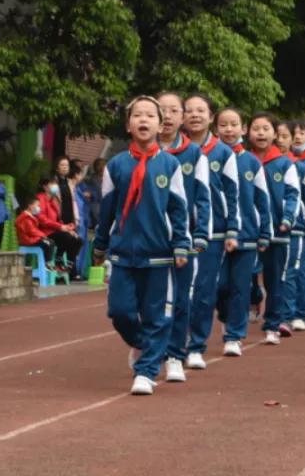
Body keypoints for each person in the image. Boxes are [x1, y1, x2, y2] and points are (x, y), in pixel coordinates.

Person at [93, 96, 190, 396]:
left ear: (161, 125)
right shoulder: (117, 166)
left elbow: (178, 209)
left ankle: (146, 372)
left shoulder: (170, 164)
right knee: (119, 311)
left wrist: (181, 245)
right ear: (129, 124)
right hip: (123, 254)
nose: (144, 120)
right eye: (138, 115)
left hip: (159, 255)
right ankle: (142, 344)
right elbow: (106, 210)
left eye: (150, 115)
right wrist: (100, 246)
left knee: (157, 315)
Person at [157, 92, 212, 383]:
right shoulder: (136, 154)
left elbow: (204, 197)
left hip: (183, 239)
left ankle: (175, 355)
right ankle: (147, 343)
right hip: (147, 239)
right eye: (160, 110)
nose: (167, 116)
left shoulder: (194, 155)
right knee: (142, 303)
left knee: (180, 299)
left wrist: (200, 233)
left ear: (181, 118)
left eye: (173, 110)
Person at [183, 94, 241, 367]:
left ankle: (195, 345)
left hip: (213, 233)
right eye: (189, 110)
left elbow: (233, 194)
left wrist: (232, 230)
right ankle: (172, 341)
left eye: (201, 110)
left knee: (205, 290)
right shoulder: (174, 151)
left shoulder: (223, 153)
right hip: (178, 232)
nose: (195, 115)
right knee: (179, 291)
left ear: (210, 117)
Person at [213, 107, 270, 357]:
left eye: (233, 124)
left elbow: (262, 199)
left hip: (246, 234)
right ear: (216, 129)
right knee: (220, 285)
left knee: (240, 286)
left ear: (242, 129)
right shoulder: (209, 158)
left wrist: (264, 231)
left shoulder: (250, 162)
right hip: (216, 234)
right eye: (223, 125)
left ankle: (234, 335)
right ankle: (225, 315)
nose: (228, 129)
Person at [247, 113, 300, 345]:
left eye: (265, 128)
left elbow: (293, 194)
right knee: (245, 276)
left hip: (278, 231)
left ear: (274, 133)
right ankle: (254, 298)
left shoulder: (284, 163)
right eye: (256, 128)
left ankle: (273, 323)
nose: (260, 133)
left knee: (274, 279)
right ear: (248, 132)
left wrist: (287, 219)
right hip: (248, 230)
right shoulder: (242, 161)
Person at [276, 121, 305, 335]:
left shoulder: (300, 168)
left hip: (296, 229)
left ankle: (290, 315)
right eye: (279, 135)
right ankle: (273, 313)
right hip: (270, 229)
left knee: (291, 272)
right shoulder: (262, 164)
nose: (281, 140)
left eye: (285, 136)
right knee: (272, 273)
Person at [35, 175, 81, 269]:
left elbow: (57, 219)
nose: (55, 186)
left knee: (77, 240)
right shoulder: (40, 199)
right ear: (45, 187)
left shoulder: (54, 200)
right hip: (44, 232)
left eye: (55, 183)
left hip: (54, 230)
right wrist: (60, 227)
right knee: (68, 238)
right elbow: (42, 219)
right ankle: (58, 260)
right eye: (52, 183)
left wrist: (67, 228)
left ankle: (68, 265)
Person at [15, 197, 53, 262]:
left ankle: (46, 263)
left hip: (31, 238)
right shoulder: (25, 218)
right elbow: (31, 231)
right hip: (27, 240)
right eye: (37, 205)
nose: (39, 208)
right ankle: (46, 263)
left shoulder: (30, 216)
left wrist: (41, 236)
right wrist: (42, 235)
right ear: (30, 206)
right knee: (48, 243)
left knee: (50, 242)